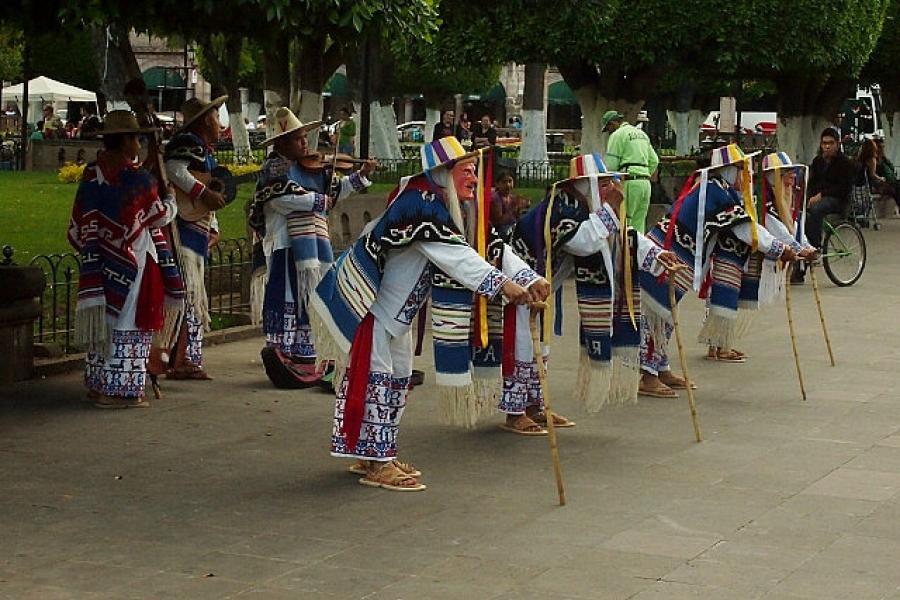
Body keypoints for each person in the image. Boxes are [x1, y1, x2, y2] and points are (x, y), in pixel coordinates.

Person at [311, 136, 547, 492]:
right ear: (442, 172)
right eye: (466, 171)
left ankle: (374, 452)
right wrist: (505, 287)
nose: (473, 178)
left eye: (475, 171)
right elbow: (457, 257)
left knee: (398, 377)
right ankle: (377, 461)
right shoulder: (420, 204)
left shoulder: (447, 206)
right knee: (378, 378)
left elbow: (487, 247)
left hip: (395, 312)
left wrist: (529, 278)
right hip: (369, 307)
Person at [511, 153, 675, 413]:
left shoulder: (586, 207)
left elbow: (621, 233)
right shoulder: (561, 207)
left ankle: (535, 407)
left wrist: (655, 253)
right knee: (523, 345)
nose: (611, 189)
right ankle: (517, 411)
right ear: (585, 184)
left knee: (539, 347)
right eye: (604, 184)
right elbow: (584, 242)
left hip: (540, 287)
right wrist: (610, 209)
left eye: (610, 183)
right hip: (518, 284)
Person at [638, 144, 798, 396]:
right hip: (668, 254)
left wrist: (784, 247)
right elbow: (746, 230)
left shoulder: (717, 189)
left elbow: (747, 226)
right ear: (729, 170)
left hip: (677, 255)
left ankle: (659, 367)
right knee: (658, 314)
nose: (746, 175)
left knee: (665, 313)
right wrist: (781, 249)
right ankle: (647, 375)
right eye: (741, 169)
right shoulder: (715, 192)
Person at [249, 107, 375, 389]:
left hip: (312, 247)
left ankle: (306, 353)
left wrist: (361, 176)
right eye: (298, 139)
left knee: (309, 296)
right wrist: (318, 202)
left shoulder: (311, 168)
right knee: (287, 295)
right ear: (282, 143)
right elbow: (281, 201)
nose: (305, 144)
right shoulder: (275, 169)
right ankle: (283, 350)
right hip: (284, 243)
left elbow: (334, 191)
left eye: (305, 137)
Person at [67, 111, 184, 409]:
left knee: (106, 317)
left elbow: (82, 219)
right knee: (128, 320)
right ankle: (118, 391)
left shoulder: (93, 173)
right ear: (125, 141)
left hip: (99, 257)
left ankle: (98, 384)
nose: (139, 143)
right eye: (135, 138)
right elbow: (157, 216)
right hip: (132, 259)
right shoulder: (137, 179)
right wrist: (170, 200)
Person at [162, 95, 229, 380]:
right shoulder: (188, 142)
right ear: (204, 120)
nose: (219, 123)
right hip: (183, 230)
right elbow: (174, 170)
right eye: (215, 117)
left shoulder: (202, 149)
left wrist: (213, 218)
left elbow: (203, 181)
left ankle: (185, 357)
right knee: (189, 292)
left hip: (196, 229)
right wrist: (203, 194)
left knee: (192, 293)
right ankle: (181, 359)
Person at [600, 110, 660, 233]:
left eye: (608, 128)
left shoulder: (617, 135)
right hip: (645, 184)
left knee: (625, 223)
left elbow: (611, 165)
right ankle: (638, 251)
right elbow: (654, 160)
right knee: (639, 224)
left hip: (629, 182)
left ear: (612, 123)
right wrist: (643, 172)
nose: (609, 132)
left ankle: (627, 252)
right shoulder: (641, 134)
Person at [805, 127, 856, 250]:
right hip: (818, 198)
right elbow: (811, 183)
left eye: (830, 143)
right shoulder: (817, 161)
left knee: (816, 209)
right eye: (824, 143)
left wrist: (821, 195)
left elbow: (844, 188)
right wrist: (808, 197)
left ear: (838, 144)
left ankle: (815, 247)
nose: (827, 147)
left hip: (839, 200)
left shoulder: (845, 163)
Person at [489, 169, 528, 240]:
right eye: (504, 182)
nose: (508, 185)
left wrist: (520, 208)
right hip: (500, 231)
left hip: (512, 227)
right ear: (497, 184)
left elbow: (516, 218)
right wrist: (513, 207)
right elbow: (498, 222)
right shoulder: (496, 199)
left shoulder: (512, 197)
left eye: (510, 181)